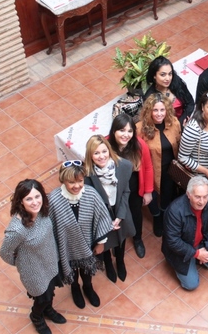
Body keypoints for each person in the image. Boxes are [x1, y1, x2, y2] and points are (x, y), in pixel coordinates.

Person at [0, 179, 66, 334]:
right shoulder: (17, 230)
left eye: (37, 197)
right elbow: (4, 253)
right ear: (21, 202)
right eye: (29, 199)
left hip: (50, 261)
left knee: (50, 291)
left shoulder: (43, 212)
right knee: (41, 298)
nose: (35, 202)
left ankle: (48, 309)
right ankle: (36, 317)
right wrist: (21, 263)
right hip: (34, 272)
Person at [49, 161, 113, 309]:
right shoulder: (54, 199)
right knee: (72, 270)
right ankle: (75, 287)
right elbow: (50, 225)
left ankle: (88, 287)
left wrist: (101, 242)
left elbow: (103, 217)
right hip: (67, 246)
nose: (76, 186)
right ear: (63, 180)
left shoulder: (90, 194)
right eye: (71, 182)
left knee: (86, 270)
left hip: (88, 245)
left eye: (80, 181)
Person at [162, 176, 208, 291]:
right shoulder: (175, 211)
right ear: (188, 194)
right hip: (182, 251)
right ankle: (194, 261)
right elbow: (173, 241)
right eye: (197, 197)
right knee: (191, 285)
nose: (202, 201)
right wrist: (196, 254)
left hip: (202, 243)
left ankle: (204, 262)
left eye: (205, 196)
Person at [84, 135, 135, 283]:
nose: (101, 156)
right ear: (90, 156)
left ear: (109, 150)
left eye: (104, 151)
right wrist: (106, 222)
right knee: (105, 241)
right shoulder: (87, 176)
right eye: (96, 153)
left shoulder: (123, 166)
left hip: (120, 211)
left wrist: (119, 216)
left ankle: (120, 261)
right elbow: (91, 204)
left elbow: (126, 191)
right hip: (101, 216)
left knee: (121, 238)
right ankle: (108, 263)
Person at [107, 113, 154, 259]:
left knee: (136, 214)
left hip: (134, 190)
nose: (125, 135)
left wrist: (148, 191)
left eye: (129, 131)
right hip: (113, 191)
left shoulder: (139, 145)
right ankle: (117, 241)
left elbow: (148, 168)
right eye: (122, 130)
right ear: (114, 130)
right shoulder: (106, 145)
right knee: (115, 217)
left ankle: (137, 238)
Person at [138, 93, 182, 237]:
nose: (159, 114)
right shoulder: (140, 128)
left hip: (170, 170)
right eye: (155, 110)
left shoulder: (174, 122)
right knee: (151, 197)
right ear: (149, 111)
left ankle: (164, 215)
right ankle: (156, 217)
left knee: (167, 195)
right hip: (149, 171)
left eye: (162, 110)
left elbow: (180, 143)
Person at [142, 56, 195, 125]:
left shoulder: (176, 82)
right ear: (154, 76)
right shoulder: (150, 97)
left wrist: (182, 122)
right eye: (163, 75)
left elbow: (190, 103)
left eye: (170, 74)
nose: (168, 78)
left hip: (184, 121)